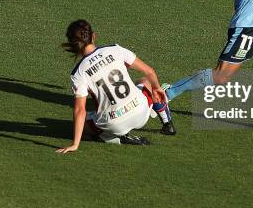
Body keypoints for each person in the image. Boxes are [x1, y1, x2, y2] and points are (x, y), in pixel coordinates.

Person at [57, 20, 176, 154]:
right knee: (146, 81)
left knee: (82, 124)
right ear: (93, 36)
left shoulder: (78, 73)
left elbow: (80, 111)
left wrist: (75, 144)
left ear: (72, 45)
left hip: (113, 124)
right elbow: (149, 71)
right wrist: (156, 88)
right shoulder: (115, 49)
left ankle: (113, 138)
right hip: (140, 113)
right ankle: (167, 124)